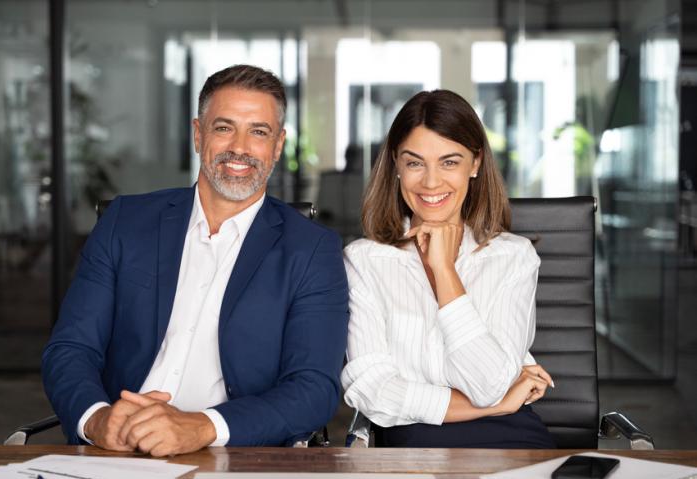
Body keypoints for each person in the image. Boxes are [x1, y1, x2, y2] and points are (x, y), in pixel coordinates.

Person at [42, 64, 349, 456]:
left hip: (235, 457)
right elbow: (70, 348)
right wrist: (99, 419)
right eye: (224, 128)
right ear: (198, 135)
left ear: (277, 146)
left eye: (258, 132)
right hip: (117, 451)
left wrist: (202, 427)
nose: (240, 147)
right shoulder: (125, 222)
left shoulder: (312, 250)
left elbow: (313, 388)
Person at [341, 89, 555, 448]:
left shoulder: (513, 258)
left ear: (475, 164)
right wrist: (498, 403)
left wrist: (444, 271)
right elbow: (371, 390)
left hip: (512, 438)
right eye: (414, 163)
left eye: (449, 162)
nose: (430, 182)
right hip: (415, 444)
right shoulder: (364, 261)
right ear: (396, 165)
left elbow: (486, 383)